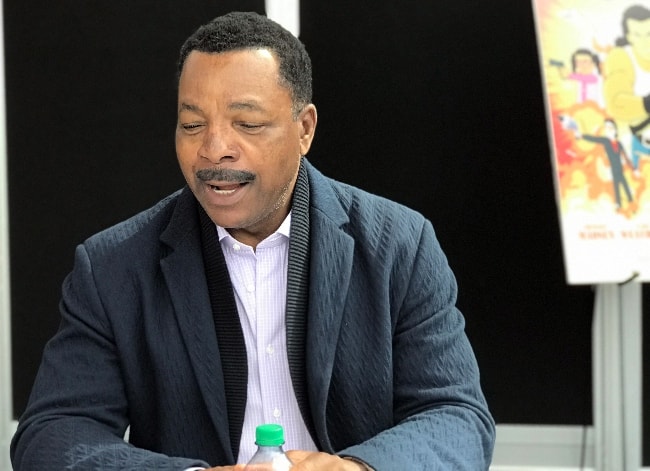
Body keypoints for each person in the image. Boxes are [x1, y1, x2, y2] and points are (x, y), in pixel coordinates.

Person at [10, 11, 495, 470]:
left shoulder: (399, 246)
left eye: (247, 123)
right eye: (193, 124)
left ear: (303, 129)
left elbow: (456, 416)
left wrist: (356, 467)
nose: (214, 148)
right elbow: (52, 434)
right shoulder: (114, 265)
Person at [603, 4, 650, 169]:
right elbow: (616, 103)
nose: (646, 41)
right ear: (629, 36)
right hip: (636, 144)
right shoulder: (621, 57)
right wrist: (646, 103)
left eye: (649, 34)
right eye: (638, 35)